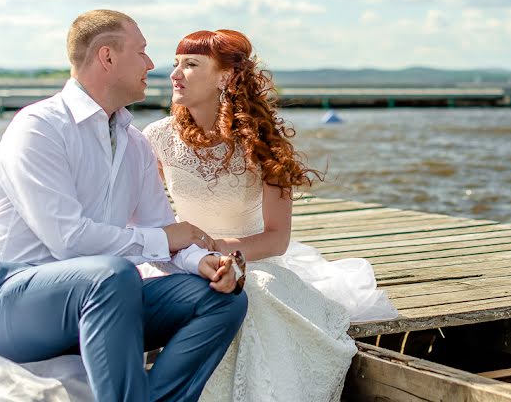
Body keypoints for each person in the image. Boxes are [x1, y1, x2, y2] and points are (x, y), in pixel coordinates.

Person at [0, 10, 248, 402]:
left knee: (222, 299)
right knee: (112, 274)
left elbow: (161, 228)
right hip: (10, 301)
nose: (152, 64)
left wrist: (201, 262)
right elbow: (68, 241)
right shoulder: (38, 127)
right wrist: (163, 237)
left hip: (103, 296)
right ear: (107, 57)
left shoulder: (135, 143)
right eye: (141, 52)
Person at [142, 29, 398, 402]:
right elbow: (145, 212)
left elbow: (276, 238)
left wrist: (219, 250)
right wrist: (187, 252)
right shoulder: (157, 137)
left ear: (225, 77)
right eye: (176, 64)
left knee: (253, 301)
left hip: (250, 258)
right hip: (181, 258)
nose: (175, 74)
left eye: (191, 64)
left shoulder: (262, 143)